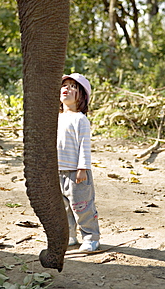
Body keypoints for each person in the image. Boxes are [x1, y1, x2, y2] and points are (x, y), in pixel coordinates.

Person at [57, 73, 100, 252]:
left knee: (82, 207)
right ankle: (70, 236)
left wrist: (83, 168)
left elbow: (84, 146)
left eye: (73, 87)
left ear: (82, 97)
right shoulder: (56, 117)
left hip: (77, 174)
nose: (67, 88)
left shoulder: (80, 119)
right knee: (63, 208)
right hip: (58, 171)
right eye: (64, 85)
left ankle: (91, 237)